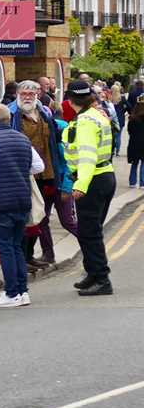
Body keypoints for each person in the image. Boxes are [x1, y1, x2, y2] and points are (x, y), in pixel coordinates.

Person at [0, 104, 46, 308]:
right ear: (9, 119)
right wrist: (18, 171)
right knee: (17, 246)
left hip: (1, 202)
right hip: (22, 199)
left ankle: (11, 293)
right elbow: (39, 166)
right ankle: (23, 291)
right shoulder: (23, 138)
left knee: (5, 247)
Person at [11, 80, 76, 267]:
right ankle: (23, 257)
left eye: (31, 94)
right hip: (25, 175)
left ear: (38, 95)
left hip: (47, 173)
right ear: (17, 94)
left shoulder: (45, 114)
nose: (27, 97)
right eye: (24, 93)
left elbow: (56, 143)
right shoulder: (11, 114)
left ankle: (33, 256)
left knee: (39, 217)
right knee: (27, 217)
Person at [64, 80, 116, 296]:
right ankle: (93, 274)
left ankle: (102, 279)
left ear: (69, 100)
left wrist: (81, 185)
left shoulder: (85, 121)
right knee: (90, 231)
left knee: (89, 232)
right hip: (105, 176)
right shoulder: (97, 115)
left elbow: (87, 156)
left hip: (92, 180)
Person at [127, 96, 144, 188]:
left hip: (134, 142)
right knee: (143, 164)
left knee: (134, 163)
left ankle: (132, 182)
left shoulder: (132, 118)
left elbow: (129, 131)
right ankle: (142, 183)